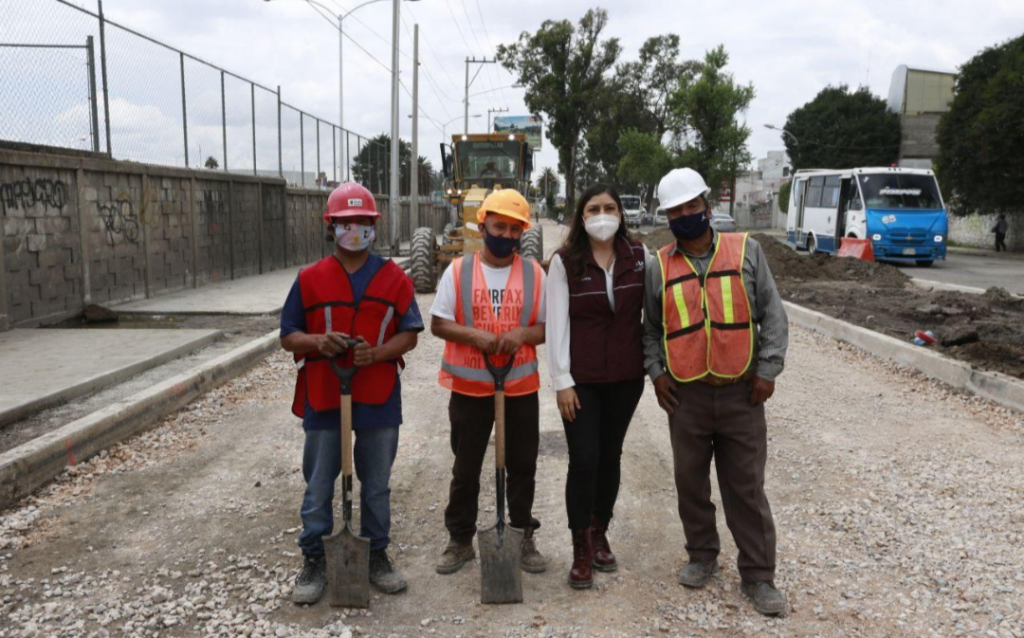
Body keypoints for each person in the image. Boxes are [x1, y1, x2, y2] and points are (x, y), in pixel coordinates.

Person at [642, 168, 790, 617]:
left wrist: (768, 370)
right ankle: (702, 555)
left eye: (691, 207)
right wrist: (656, 372)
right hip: (684, 397)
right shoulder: (658, 265)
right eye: (676, 211)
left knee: (745, 486)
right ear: (668, 216)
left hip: (741, 393)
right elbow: (650, 330)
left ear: (707, 205)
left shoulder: (747, 251)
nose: (685, 216)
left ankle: (759, 575)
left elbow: (774, 315)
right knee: (690, 482)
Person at [280, 182, 423, 605]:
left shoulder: (395, 278)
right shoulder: (309, 279)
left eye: (363, 223)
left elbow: (411, 333)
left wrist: (377, 353)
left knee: (376, 483)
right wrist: (316, 343)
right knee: (319, 480)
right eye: (347, 223)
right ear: (332, 227)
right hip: (324, 395)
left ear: (374, 227)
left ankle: (377, 552)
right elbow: (289, 335)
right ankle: (315, 557)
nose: (355, 229)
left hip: (378, 395)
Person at [429, 189, 549, 576]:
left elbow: (547, 326)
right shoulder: (458, 270)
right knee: (465, 468)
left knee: (523, 465)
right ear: (483, 226)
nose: (508, 236)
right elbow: (438, 322)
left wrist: (523, 335)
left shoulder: (534, 273)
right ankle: (460, 539)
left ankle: (521, 533)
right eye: (500, 227)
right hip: (469, 389)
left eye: (516, 229)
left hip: (519, 388)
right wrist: (475, 336)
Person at [546, 184, 649, 589]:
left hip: (626, 378)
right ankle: (580, 547)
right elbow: (557, 325)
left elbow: (651, 316)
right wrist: (561, 380)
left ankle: (599, 529)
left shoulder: (640, 258)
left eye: (610, 207)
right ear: (581, 216)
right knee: (584, 459)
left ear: (621, 213)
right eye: (594, 208)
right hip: (582, 381)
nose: (602, 214)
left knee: (611, 456)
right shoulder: (564, 262)